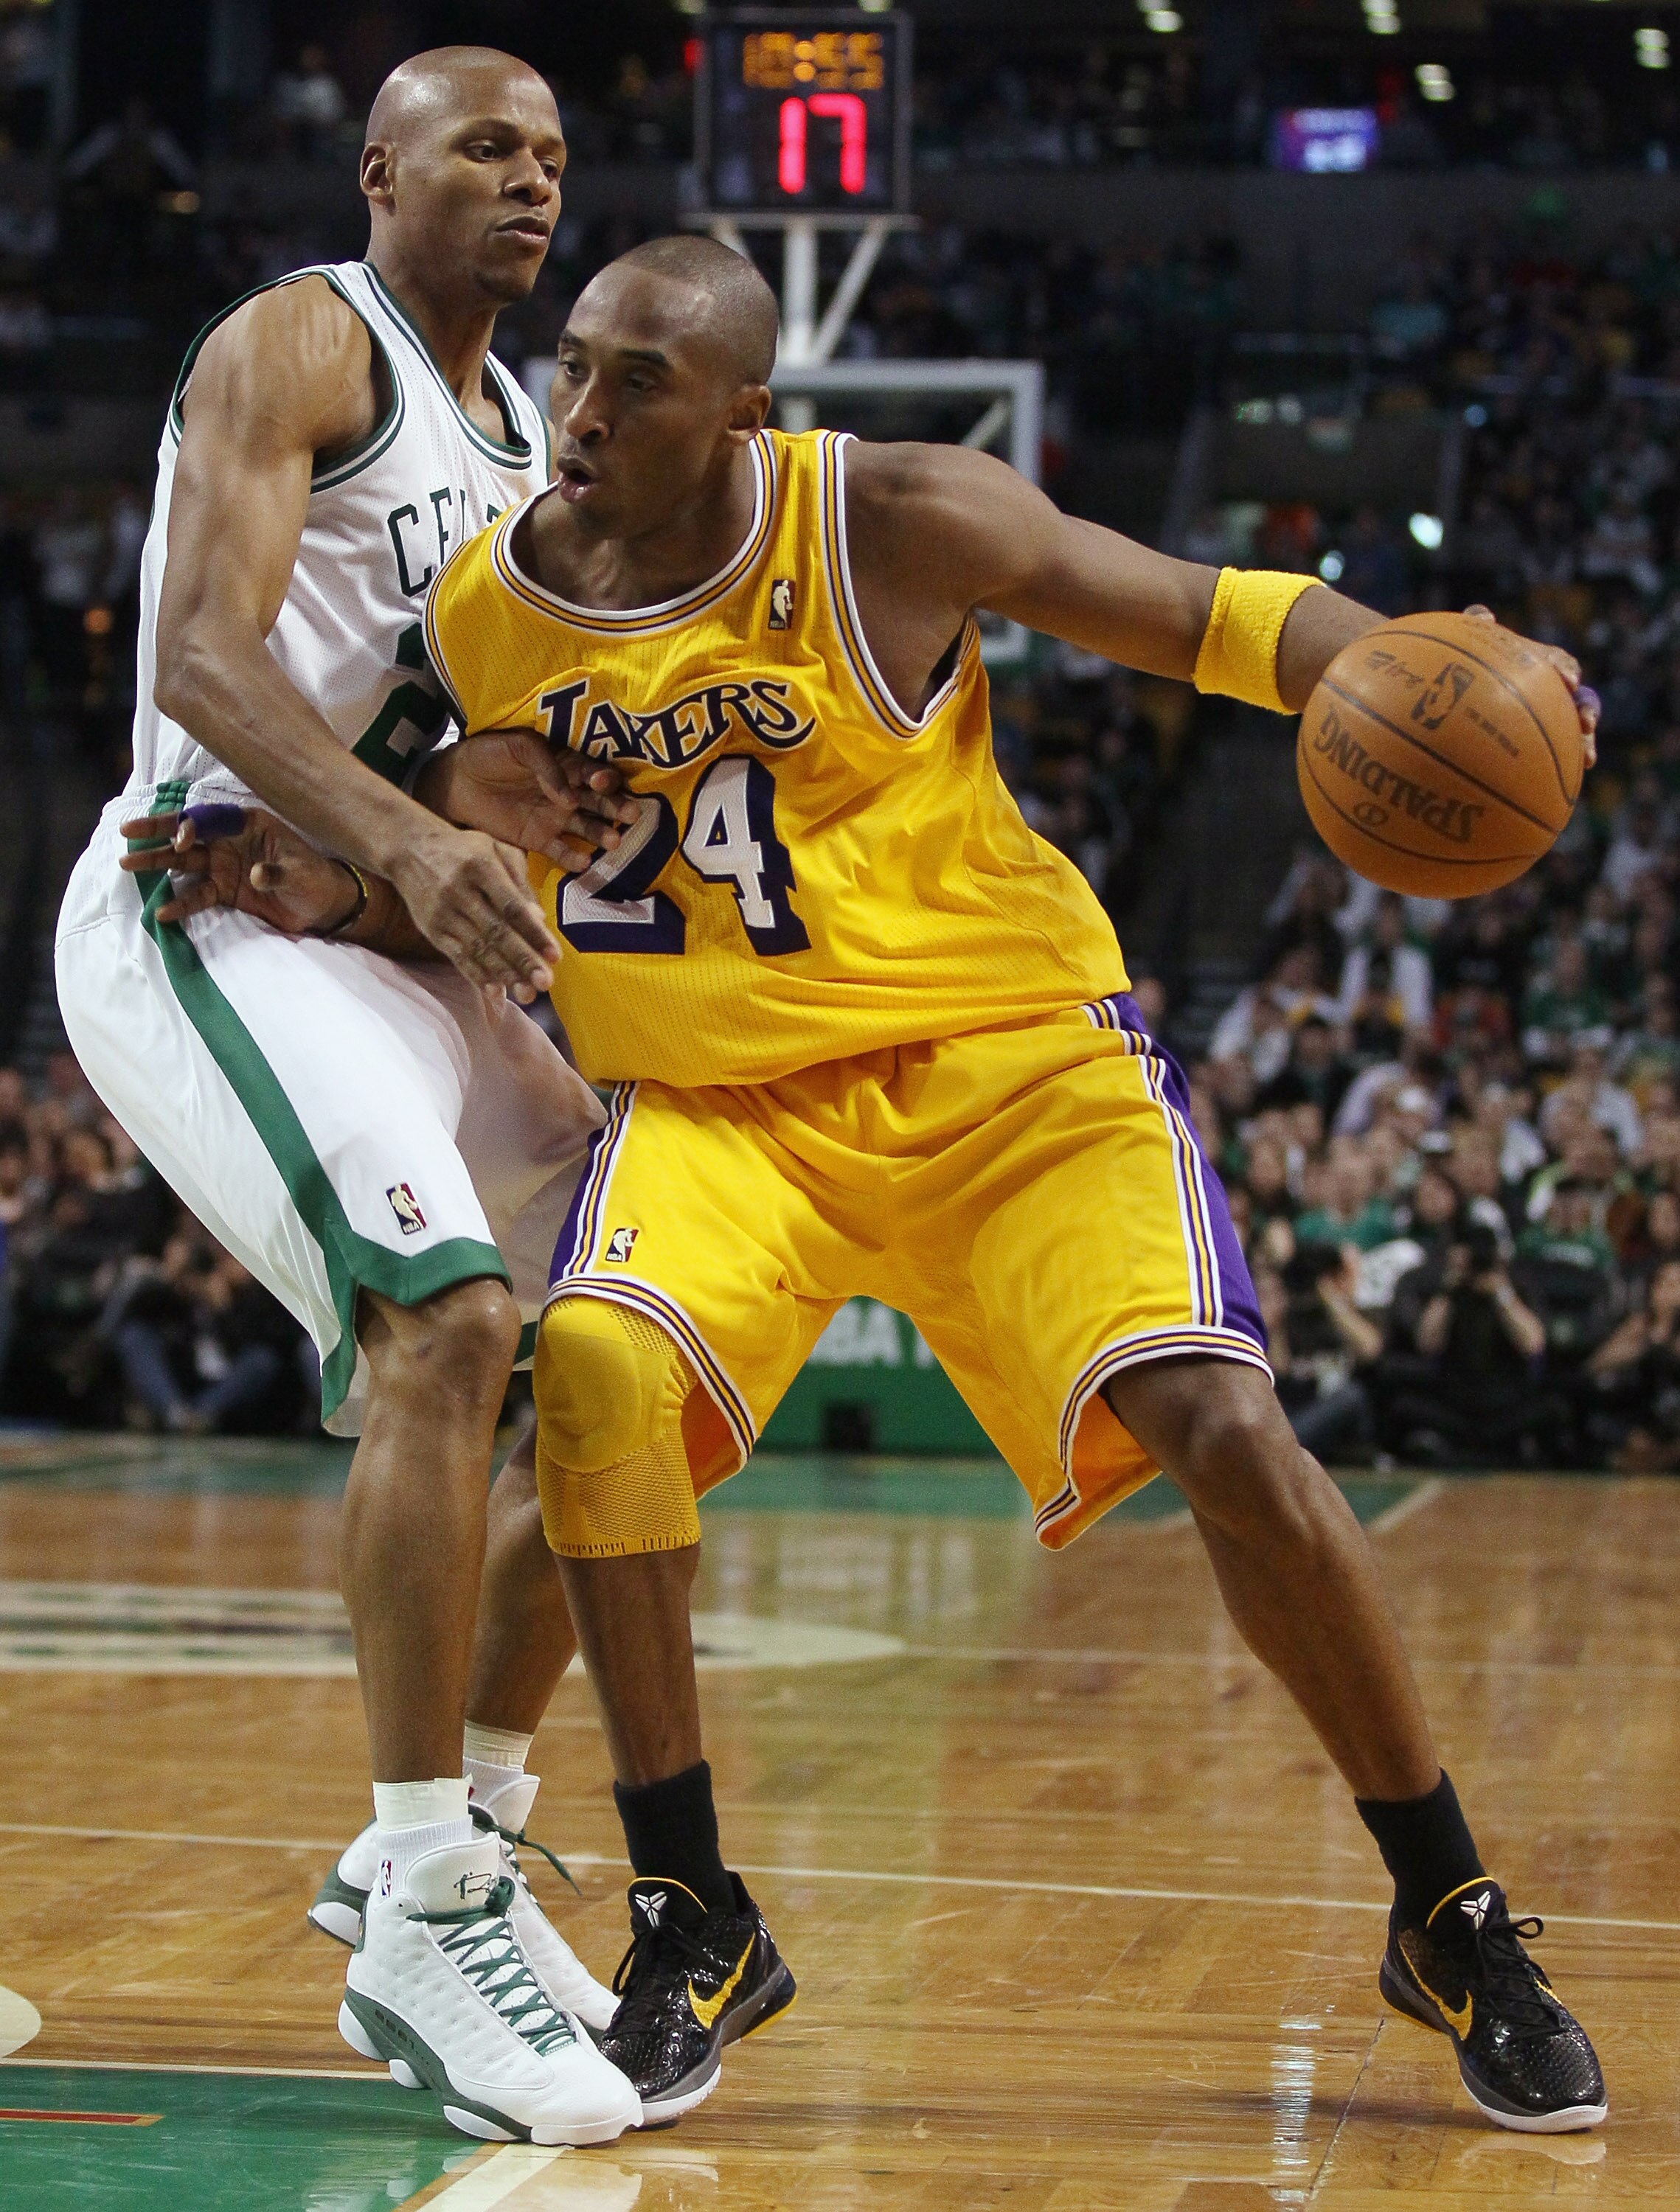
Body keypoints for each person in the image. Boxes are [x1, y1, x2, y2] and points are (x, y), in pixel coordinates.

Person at [192, 233, 1608, 2135]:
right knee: (597, 1384)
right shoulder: (482, 612)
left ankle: (1447, 1906)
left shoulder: (900, 520)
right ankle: (693, 1907)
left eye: (639, 386)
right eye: (580, 369)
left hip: (1006, 1060)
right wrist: (335, 877)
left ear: (747, 417)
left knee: (1219, 1419)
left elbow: (1215, 616)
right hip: (717, 1107)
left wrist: (1454, 672)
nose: (583, 416)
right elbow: (474, 849)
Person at [55, 48, 647, 2148]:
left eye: (555, 158)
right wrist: (399, 841)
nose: (530, 183)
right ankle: (421, 1894)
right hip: (194, 910)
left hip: (376, 933)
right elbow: (207, 661)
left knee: (634, 1353)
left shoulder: (524, 438)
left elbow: (474, 766)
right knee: (447, 1323)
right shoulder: (307, 341)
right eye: (488, 146)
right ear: (381, 166)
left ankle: (463, 1825)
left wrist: (454, 822)